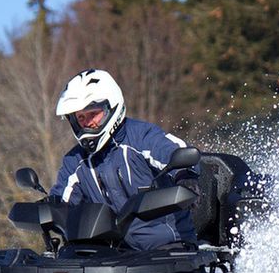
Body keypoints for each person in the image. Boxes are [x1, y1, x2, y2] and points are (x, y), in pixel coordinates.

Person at [50, 69, 199, 250]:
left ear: (111, 107)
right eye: (80, 117)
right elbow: (62, 201)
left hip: (168, 248)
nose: (87, 123)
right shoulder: (76, 161)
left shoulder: (141, 137)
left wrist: (185, 176)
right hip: (113, 255)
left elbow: (174, 151)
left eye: (93, 114)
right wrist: (48, 209)